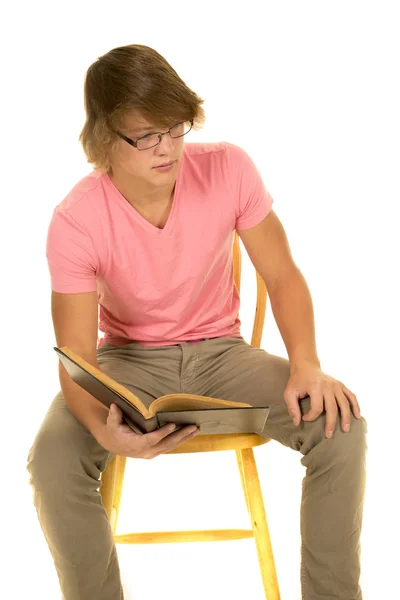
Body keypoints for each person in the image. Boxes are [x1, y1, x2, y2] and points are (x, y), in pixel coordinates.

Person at [26, 43, 367, 600]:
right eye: (147, 136)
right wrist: (99, 427)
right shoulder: (76, 219)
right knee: (52, 457)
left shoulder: (229, 167)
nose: (168, 148)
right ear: (103, 140)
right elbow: (77, 356)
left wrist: (306, 365)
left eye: (176, 128)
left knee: (341, 427)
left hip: (224, 355)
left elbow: (282, 276)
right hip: (125, 365)